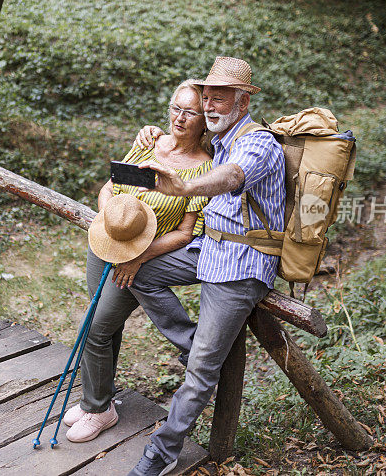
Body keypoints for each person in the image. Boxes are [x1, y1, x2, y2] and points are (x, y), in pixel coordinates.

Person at [125, 57, 286, 476]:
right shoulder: (221, 138)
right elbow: (186, 141)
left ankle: (161, 454)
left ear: (243, 100)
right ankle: (194, 344)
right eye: (207, 98)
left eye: (220, 98)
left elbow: (232, 176)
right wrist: (154, 133)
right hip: (208, 248)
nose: (211, 106)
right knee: (139, 272)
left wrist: (186, 187)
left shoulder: (258, 142)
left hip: (241, 263)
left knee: (200, 373)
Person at [64, 81, 213, 444]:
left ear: (204, 121)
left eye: (190, 112)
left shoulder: (202, 171)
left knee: (94, 330)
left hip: (137, 261)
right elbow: (110, 187)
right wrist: (111, 219)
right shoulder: (149, 143)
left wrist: (138, 256)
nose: (180, 117)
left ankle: (98, 409)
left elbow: (186, 232)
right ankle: (99, 399)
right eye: (176, 108)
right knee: (106, 327)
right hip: (104, 245)